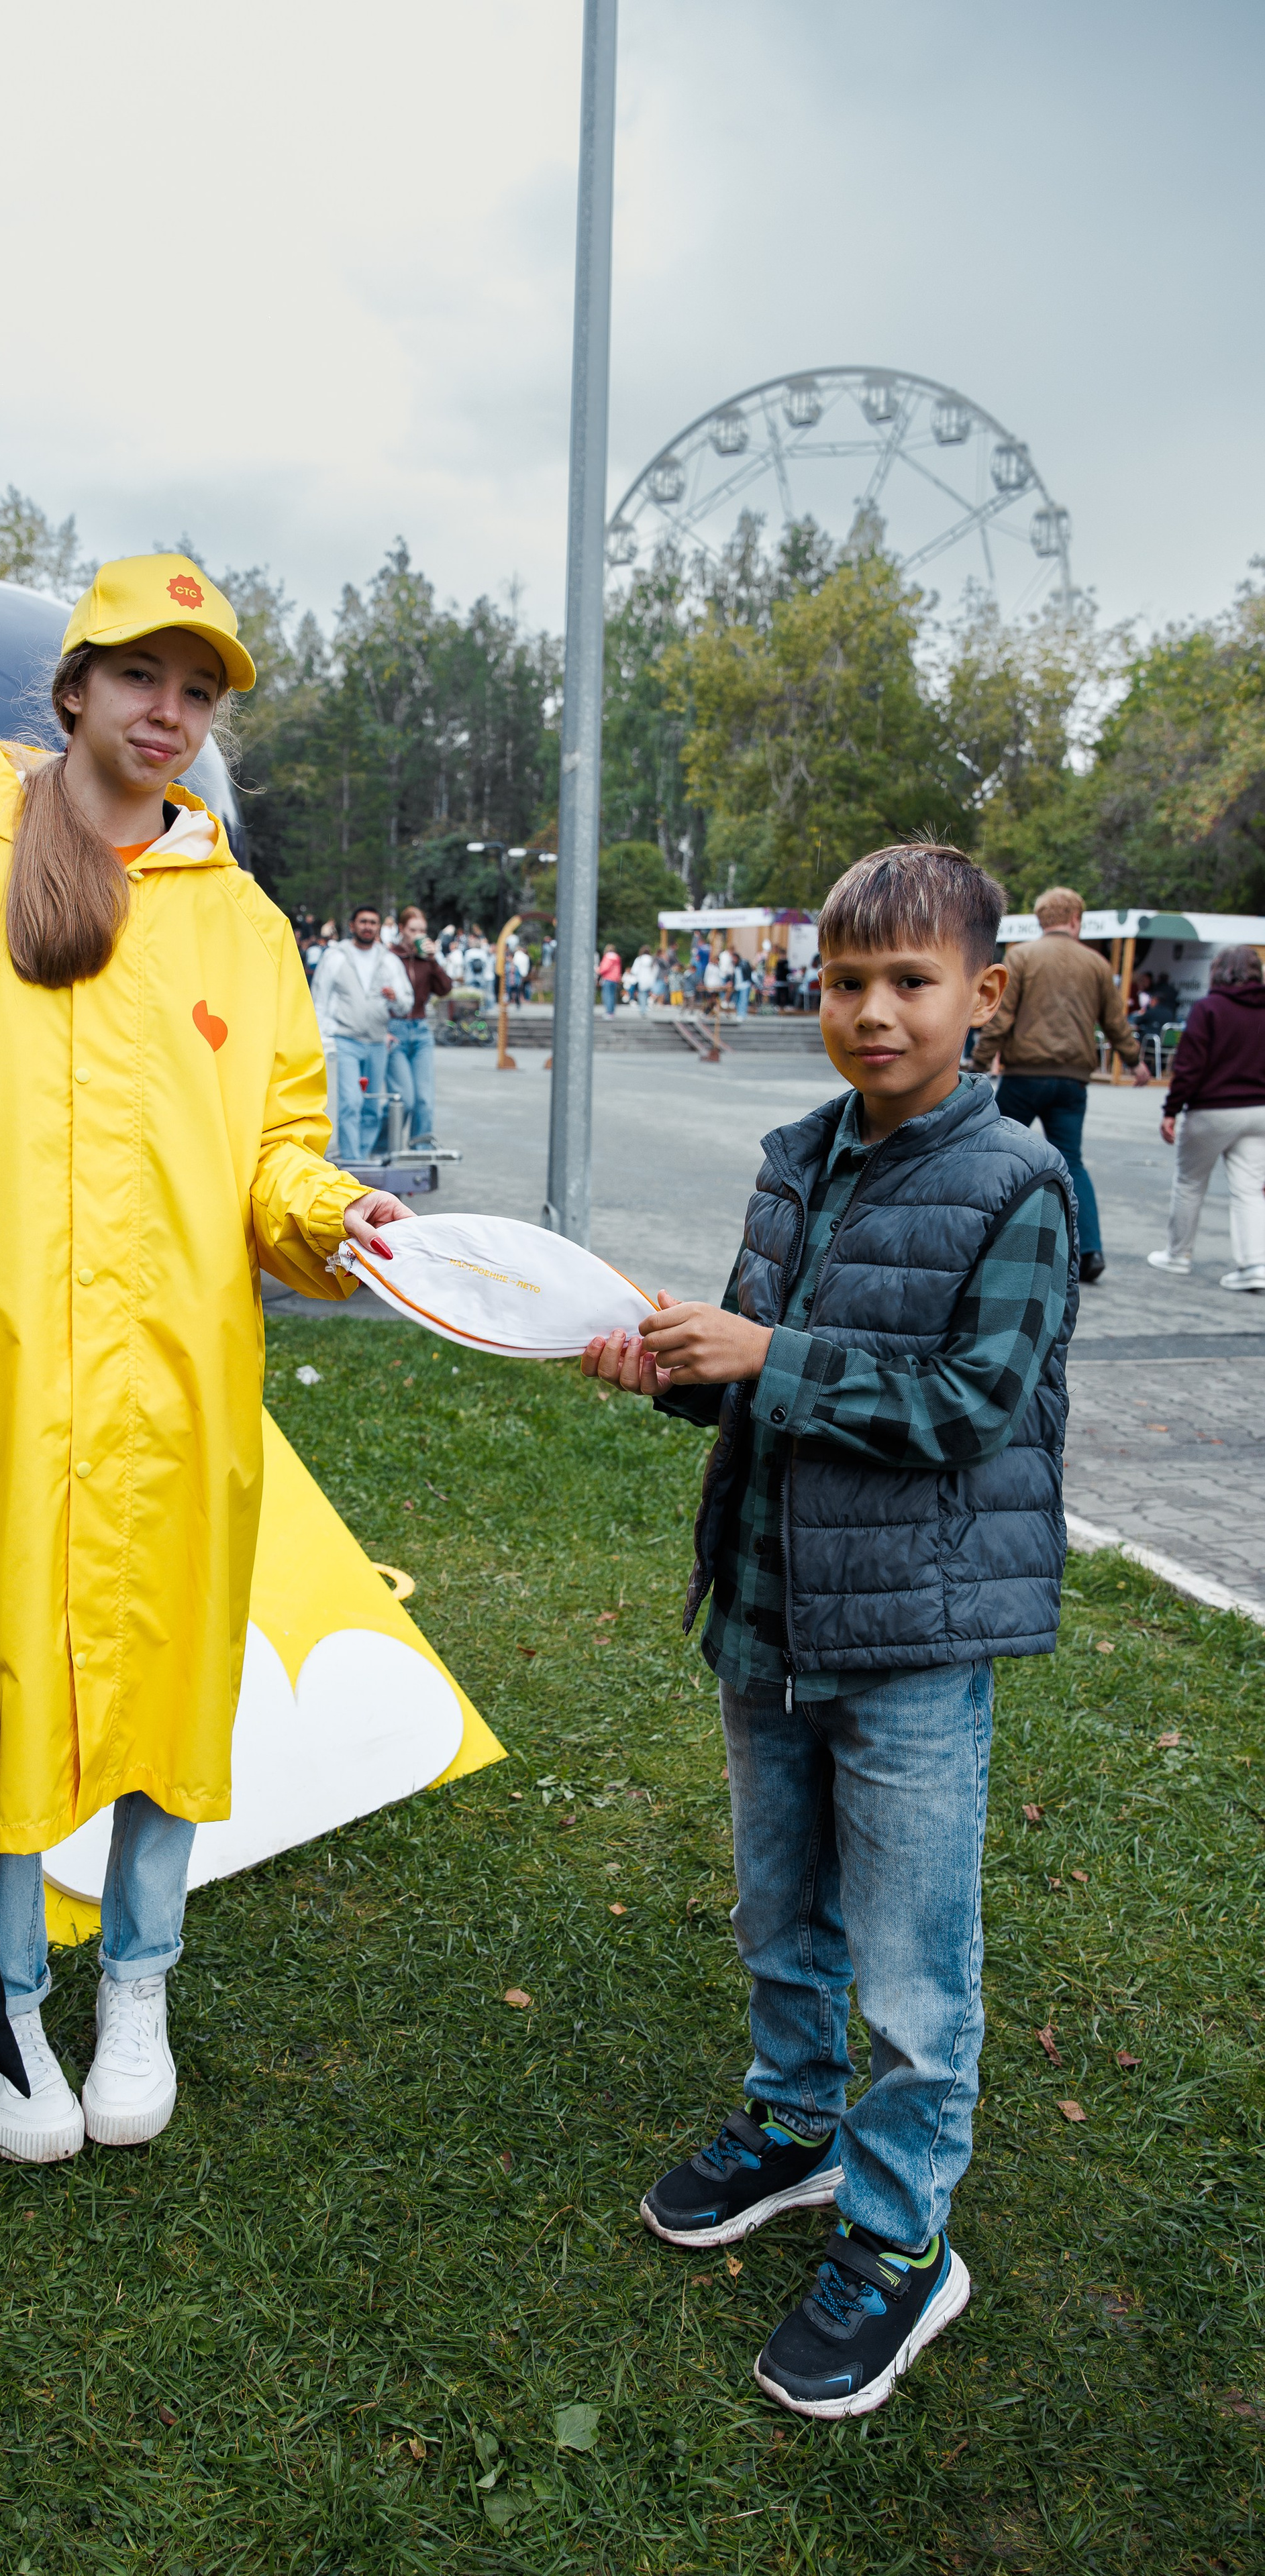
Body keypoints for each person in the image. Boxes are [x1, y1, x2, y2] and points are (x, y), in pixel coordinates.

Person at [0, 555, 413, 2164]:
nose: (169, 713)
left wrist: (328, 1212)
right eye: (141, 675)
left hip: (178, 1387)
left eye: (198, 688)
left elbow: (275, 1149)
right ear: (70, 688)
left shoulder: (243, 924)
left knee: (167, 1686)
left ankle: (136, 1983)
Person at [583, 842, 1077, 2420]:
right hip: (770, 1611)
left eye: (908, 982)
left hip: (914, 1640)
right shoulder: (791, 1156)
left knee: (912, 1969)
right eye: (844, 982)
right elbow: (752, 1382)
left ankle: (899, 2237)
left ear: (981, 996)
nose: (871, 1011)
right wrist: (666, 1367)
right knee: (774, 1910)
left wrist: (766, 1351)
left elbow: (967, 1408)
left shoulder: (1019, 1183)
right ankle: (791, 2125)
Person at [970, 885, 1148, 1283]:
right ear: (1075, 920)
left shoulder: (1022, 957)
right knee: (1074, 1160)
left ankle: (982, 1242)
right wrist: (1136, 1062)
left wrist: (979, 1063)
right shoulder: (1097, 964)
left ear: (1041, 920)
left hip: (1024, 1076)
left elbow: (1002, 1019)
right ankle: (1090, 1251)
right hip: (1072, 1081)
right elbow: (1115, 1024)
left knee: (994, 1154)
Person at [1147, 942, 1265, 1291]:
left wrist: (1171, 1110)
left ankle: (1178, 1255)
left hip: (1212, 1110)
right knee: (1249, 1189)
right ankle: (1254, 1264)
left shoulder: (1209, 1008)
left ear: (1218, 972)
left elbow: (1190, 1066)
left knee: (1190, 1181)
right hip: (1259, 1111)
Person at [313, 901, 413, 1163]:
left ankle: (364, 1157)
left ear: (379, 927)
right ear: (352, 926)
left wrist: (394, 999)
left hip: (378, 1042)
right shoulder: (335, 957)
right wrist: (325, 1040)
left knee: (371, 1106)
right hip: (346, 1040)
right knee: (350, 1102)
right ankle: (352, 1162)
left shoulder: (389, 961)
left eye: (373, 923)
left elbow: (405, 1004)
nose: (368, 927)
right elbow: (320, 999)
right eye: (363, 922)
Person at [387, 903, 452, 1148]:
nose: (418, 935)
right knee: (405, 1099)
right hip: (395, 1029)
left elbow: (445, 989)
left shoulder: (427, 960)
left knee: (425, 1098)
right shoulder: (390, 957)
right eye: (413, 930)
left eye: (422, 930)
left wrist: (433, 960)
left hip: (421, 1029)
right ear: (401, 929)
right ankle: (384, 1146)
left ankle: (420, 1149)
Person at [599, 944, 623, 1016]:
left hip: (607, 978)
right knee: (613, 996)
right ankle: (612, 1011)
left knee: (607, 996)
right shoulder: (617, 957)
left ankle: (608, 1012)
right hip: (615, 979)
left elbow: (605, 968)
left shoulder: (607, 957)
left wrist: (600, 970)